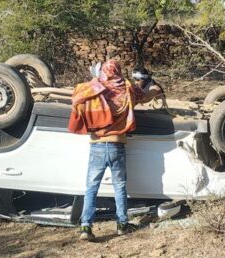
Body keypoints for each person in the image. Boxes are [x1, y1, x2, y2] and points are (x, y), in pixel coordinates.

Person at [68, 60, 162, 241]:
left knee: (91, 187)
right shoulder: (127, 89)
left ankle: (86, 227)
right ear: (118, 71)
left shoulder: (92, 89)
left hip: (96, 146)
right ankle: (122, 225)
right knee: (119, 187)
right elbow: (145, 95)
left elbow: (77, 98)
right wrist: (155, 88)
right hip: (117, 145)